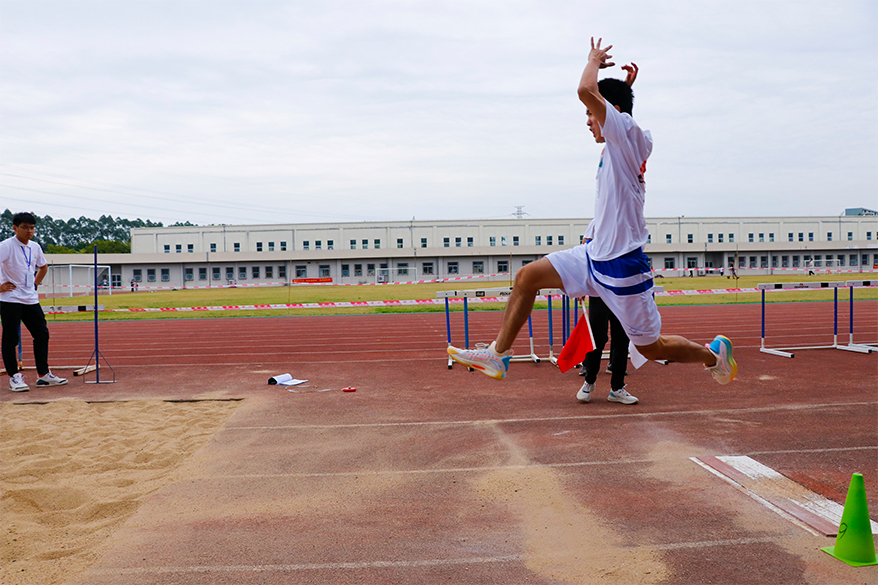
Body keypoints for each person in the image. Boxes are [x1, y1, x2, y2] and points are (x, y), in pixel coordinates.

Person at [447, 37, 736, 385]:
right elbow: (614, 111)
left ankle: (712, 355)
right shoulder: (622, 141)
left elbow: (586, 90)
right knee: (527, 278)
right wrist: (625, 91)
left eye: (590, 115)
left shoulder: (623, 132)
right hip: (593, 255)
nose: (587, 121)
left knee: (651, 348)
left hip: (623, 265)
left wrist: (594, 61)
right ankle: (498, 356)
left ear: (608, 111)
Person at [1, 212, 68, 392]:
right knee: (10, 337)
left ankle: (43, 375)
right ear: (15, 228)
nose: (29, 231)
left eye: (32, 228)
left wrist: (36, 284)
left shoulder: (35, 247)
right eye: (25, 227)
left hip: (30, 298)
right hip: (10, 299)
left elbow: (43, 266)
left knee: (42, 334)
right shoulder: (6, 246)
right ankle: (14, 377)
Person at [577, 295, 637, 404]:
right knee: (597, 339)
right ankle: (589, 381)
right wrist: (580, 288)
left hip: (621, 295)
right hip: (599, 292)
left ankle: (617, 388)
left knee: (621, 340)